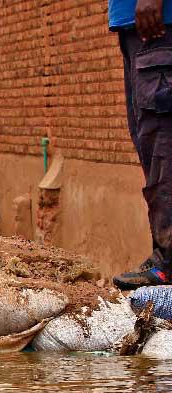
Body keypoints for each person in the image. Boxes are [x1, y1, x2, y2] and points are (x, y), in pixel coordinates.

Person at [111, 0, 172, 289]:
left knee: (163, 142)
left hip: (159, 24)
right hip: (137, 28)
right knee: (150, 142)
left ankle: (169, 265)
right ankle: (164, 257)